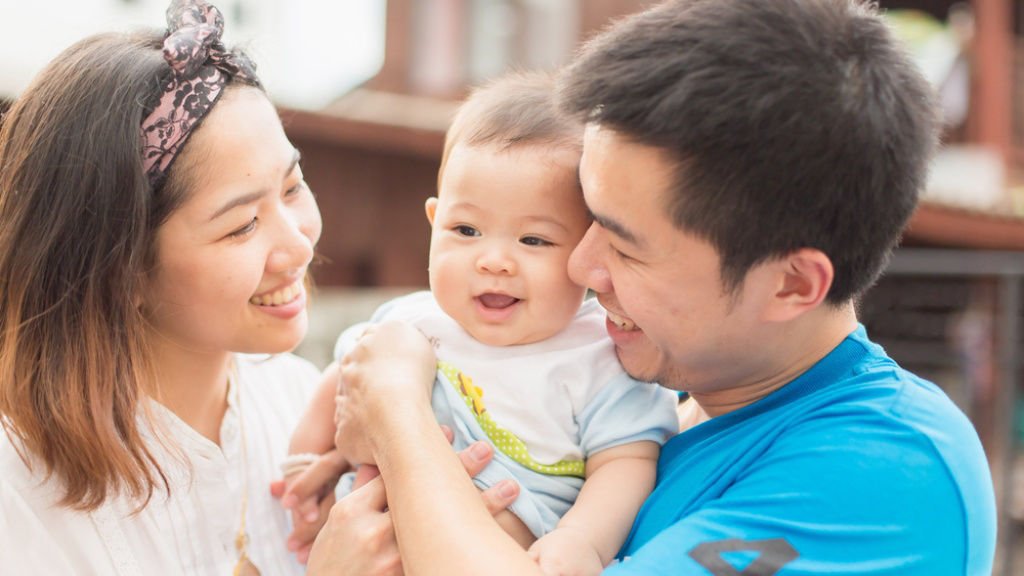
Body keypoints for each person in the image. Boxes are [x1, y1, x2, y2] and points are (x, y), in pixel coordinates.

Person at [306, 0, 998, 575]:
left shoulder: (884, 481)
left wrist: (398, 416)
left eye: (624, 244)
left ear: (792, 284)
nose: (580, 267)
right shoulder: (672, 383)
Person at [282, 71, 679, 574]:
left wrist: (583, 541)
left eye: (533, 240)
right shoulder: (413, 320)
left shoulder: (601, 356)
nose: (493, 260)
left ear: (586, 249)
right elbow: (343, 380)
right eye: (465, 229)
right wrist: (306, 466)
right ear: (433, 222)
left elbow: (626, 464)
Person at [0, 0, 330, 573]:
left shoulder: (304, 403)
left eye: (293, 186)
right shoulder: (20, 488)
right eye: (242, 225)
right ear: (118, 269)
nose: (299, 245)